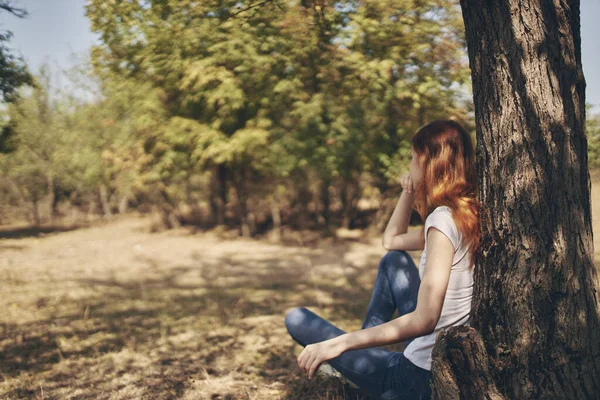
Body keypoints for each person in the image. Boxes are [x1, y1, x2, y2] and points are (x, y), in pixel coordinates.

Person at [284, 120, 480, 399]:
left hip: (417, 375)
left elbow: (425, 320)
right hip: (439, 359)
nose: (409, 168)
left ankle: (357, 369)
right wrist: (408, 191)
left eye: (413, 159)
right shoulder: (465, 215)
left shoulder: (441, 222)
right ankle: (362, 364)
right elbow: (391, 242)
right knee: (394, 261)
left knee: (297, 318)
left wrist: (338, 344)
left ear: (429, 165)